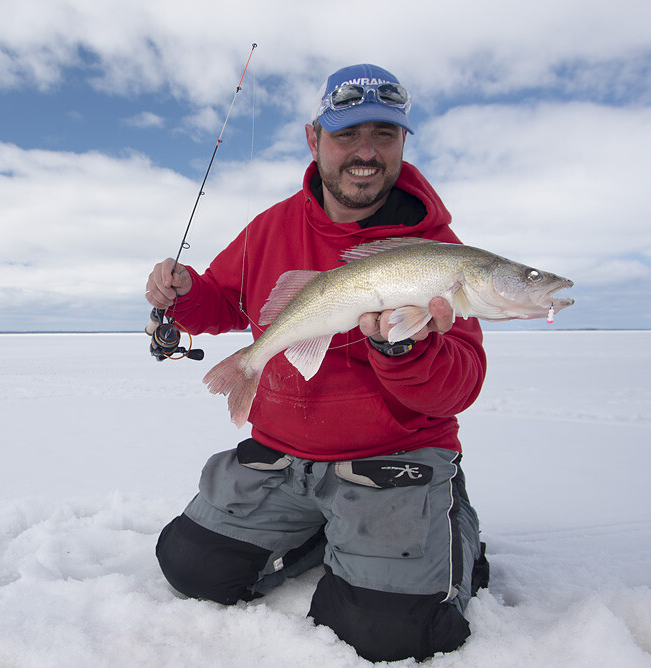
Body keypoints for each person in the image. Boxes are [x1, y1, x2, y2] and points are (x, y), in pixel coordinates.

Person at [145, 64, 490, 663]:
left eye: (384, 135)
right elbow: (226, 301)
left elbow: (456, 388)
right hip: (284, 457)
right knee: (191, 566)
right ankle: (320, 531)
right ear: (314, 139)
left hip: (394, 458)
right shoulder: (269, 229)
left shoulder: (437, 253)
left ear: (404, 143)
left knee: (388, 632)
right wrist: (184, 293)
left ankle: (448, 525)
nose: (365, 152)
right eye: (347, 134)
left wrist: (402, 351)